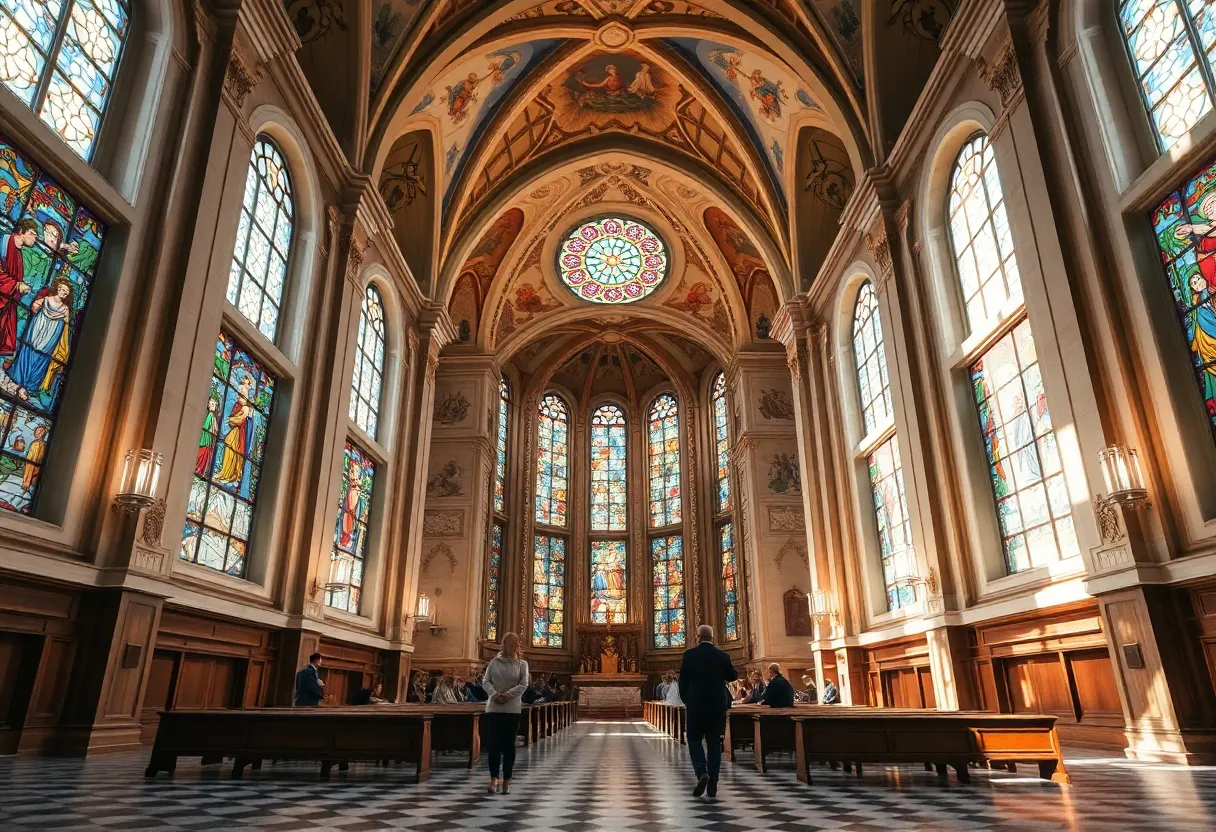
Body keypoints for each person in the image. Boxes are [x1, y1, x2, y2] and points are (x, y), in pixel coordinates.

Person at [678, 624, 737, 799]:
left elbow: (683, 681)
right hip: (717, 704)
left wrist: (687, 699)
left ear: (698, 637)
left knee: (694, 739)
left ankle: (701, 772)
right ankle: (714, 778)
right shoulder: (723, 656)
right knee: (714, 742)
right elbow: (732, 676)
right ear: (712, 637)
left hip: (696, 703)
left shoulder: (689, 655)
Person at [483, 632, 529, 795]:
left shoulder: (522, 664)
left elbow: (524, 684)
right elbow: (486, 681)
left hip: (511, 709)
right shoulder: (494, 662)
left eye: (514, 643)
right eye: (509, 642)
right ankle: (493, 778)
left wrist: (507, 695)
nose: (512, 645)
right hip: (494, 708)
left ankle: (507, 780)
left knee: (509, 746)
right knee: (493, 746)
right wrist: (495, 694)